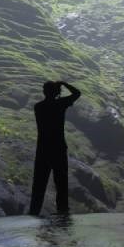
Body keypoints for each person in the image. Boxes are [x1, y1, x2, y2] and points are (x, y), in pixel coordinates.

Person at [27, 79, 81, 216]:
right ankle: (63, 214)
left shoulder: (38, 107)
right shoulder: (60, 104)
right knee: (61, 184)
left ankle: (33, 213)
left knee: (38, 184)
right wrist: (64, 83)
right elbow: (77, 93)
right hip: (58, 149)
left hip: (43, 150)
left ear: (44, 92)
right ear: (57, 92)